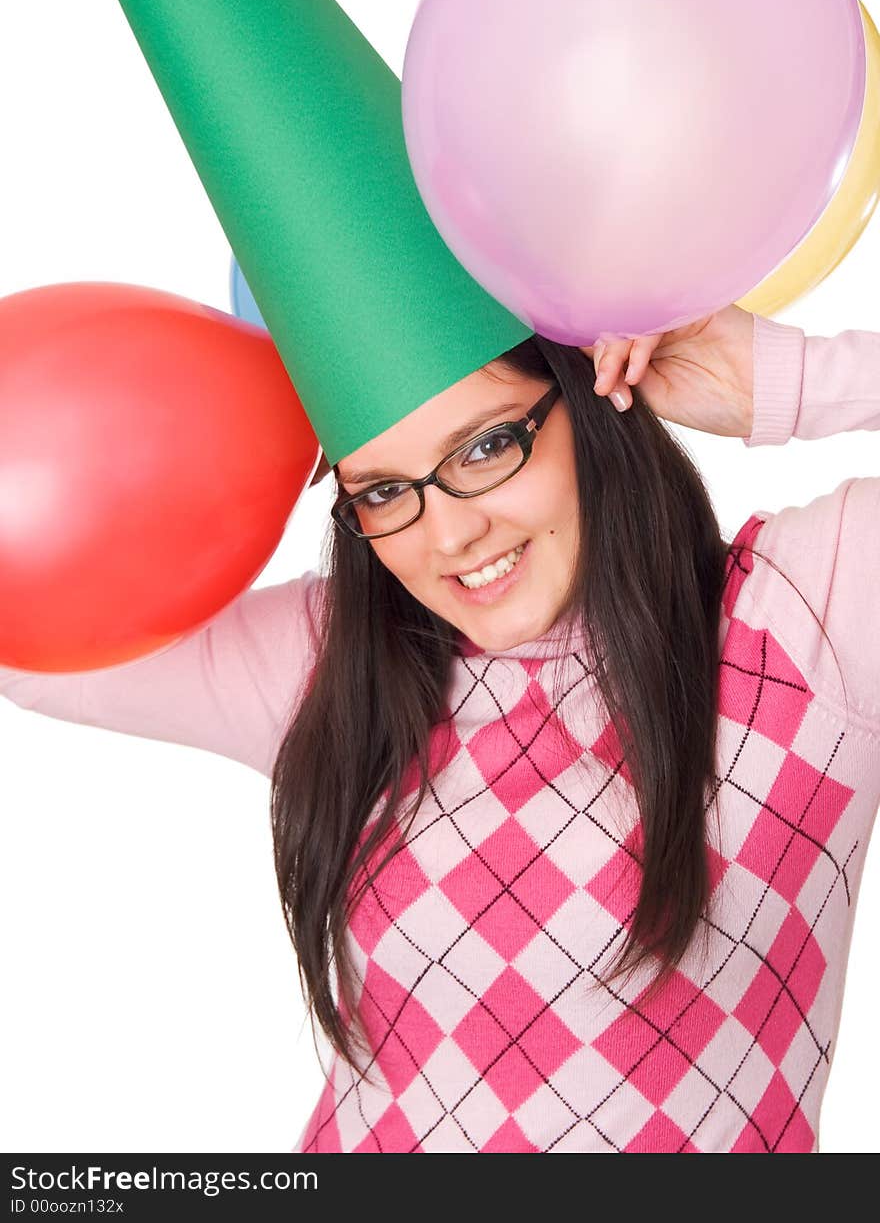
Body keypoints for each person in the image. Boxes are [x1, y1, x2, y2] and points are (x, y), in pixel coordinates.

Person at [3, 300, 879, 1151]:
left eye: (490, 444)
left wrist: (785, 382)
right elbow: (33, 644)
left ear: (591, 401)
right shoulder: (339, 663)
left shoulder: (804, 624)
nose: (452, 534)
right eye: (385, 490)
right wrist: (225, 446)